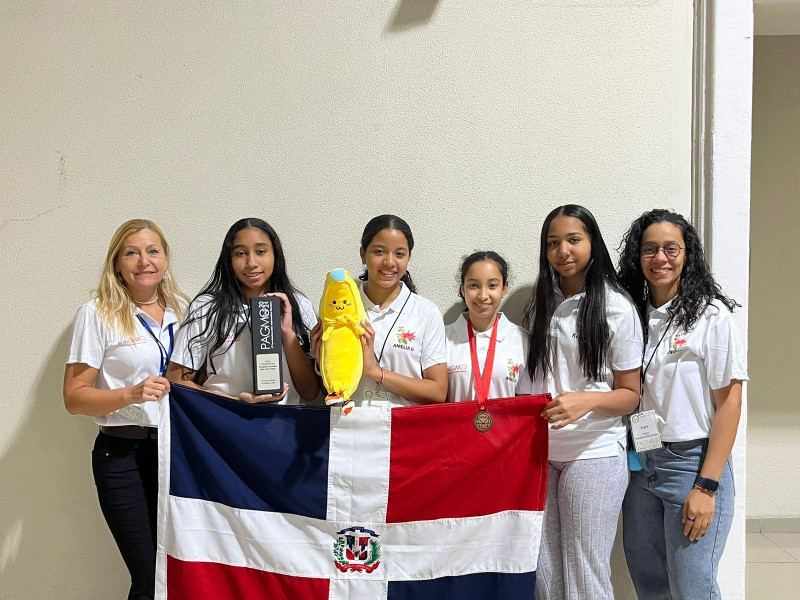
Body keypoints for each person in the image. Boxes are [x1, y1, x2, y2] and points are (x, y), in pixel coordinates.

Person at [617, 209, 747, 600]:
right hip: (641, 465)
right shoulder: (630, 315)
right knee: (649, 583)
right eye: (650, 249)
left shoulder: (711, 317)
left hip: (692, 466)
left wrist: (706, 487)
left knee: (693, 589)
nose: (661, 258)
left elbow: (730, 404)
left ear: (687, 253)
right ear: (637, 258)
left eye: (671, 248)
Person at [517, 204, 643, 600]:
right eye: (553, 243)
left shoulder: (615, 306)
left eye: (574, 240)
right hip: (541, 453)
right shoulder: (540, 302)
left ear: (593, 243)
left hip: (594, 452)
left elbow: (631, 395)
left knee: (585, 572)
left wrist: (585, 401)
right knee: (546, 574)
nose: (563, 251)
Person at [64, 219, 189, 599]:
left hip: (176, 457)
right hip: (123, 455)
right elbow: (74, 397)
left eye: (153, 251)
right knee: (149, 578)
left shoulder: (183, 310)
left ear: (165, 259)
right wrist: (130, 395)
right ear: (117, 262)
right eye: (131, 252)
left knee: (177, 574)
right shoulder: (98, 313)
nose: (143, 261)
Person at [166, 218, 319, 404]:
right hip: (224, 418)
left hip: (283, 423)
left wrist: (287, 333)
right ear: (228, 259)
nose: (251, 262)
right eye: (240, 253)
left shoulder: (298, 305)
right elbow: (175, 379)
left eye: (261, 252)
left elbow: (310, 392)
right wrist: (235, 401)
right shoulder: (206, 307)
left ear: (275, 255)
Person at [312, 214, 447, 407]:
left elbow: (438, 392)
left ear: (409, 257)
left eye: (400, 254)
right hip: (350, 428)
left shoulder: (425, 312)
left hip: (404, 430)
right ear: (362, 253)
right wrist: (321, 363)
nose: (390, 262)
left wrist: (376, 372)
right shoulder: (339, 307)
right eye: (379, 252)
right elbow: (322, 392)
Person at [445, 251, 527, 403]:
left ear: (504, 289)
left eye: (492, 285)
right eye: (474, 285)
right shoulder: (443, 339)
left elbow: (526, 403)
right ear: (463, 289)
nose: (483, 295)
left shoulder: (522, 340)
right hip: (456, 427)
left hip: (506, 427)